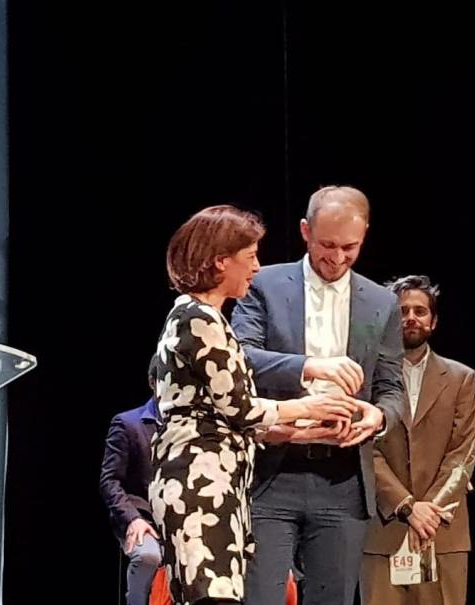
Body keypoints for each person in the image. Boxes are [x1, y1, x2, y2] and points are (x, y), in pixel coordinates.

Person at [149, 205, 359, 605]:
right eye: (250, 257)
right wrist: (311, 407)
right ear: (220, 261)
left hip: (216, 484)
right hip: (199, 486)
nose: (257, 268)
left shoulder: (208, 318)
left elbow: (231, 419)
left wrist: (306, 433)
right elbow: (241, 410)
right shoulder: (198, 318)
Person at [230, 185, 406, 605]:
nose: (338, 258)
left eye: (350, 247)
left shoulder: (381, 302)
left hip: (342, 479)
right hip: (272, 472)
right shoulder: (265, 284)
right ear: (305, 231)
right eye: (328, 245)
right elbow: (240, 355)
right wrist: (309, 365)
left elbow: (392, 387)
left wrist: (378, 416)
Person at [362, 275, 475, 605]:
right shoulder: (368, 376)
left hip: (442, 532)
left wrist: (429, 511)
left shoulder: (460, 378)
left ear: (434, 321)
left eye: (420, 311)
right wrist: (406, 506)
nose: (411, 318)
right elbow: (364, 446)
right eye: (402, 311)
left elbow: (463, 453)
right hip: (382, 530)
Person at [100, 357, 165, 605]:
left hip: (179, 519)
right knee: (148, 556)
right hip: (142, 515)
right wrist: (132, 518)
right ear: (152, 382)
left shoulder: (191, 427)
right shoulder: (128, 423)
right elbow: (109, 480)